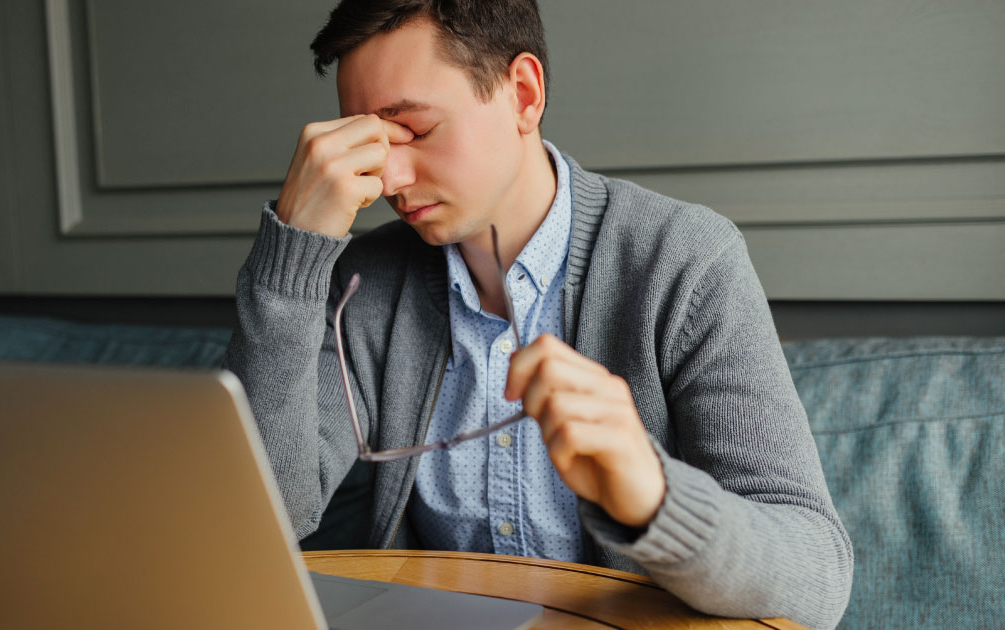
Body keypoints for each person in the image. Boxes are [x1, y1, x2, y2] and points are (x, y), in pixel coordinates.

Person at [223, 1, 853, 627]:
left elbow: (816, 581)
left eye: (412, 129)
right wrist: (295, 248)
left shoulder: (684, 260)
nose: (387, 176)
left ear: (523, 94)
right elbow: (262, 518)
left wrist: (654, 500)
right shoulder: (363, 282)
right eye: (367, 140)